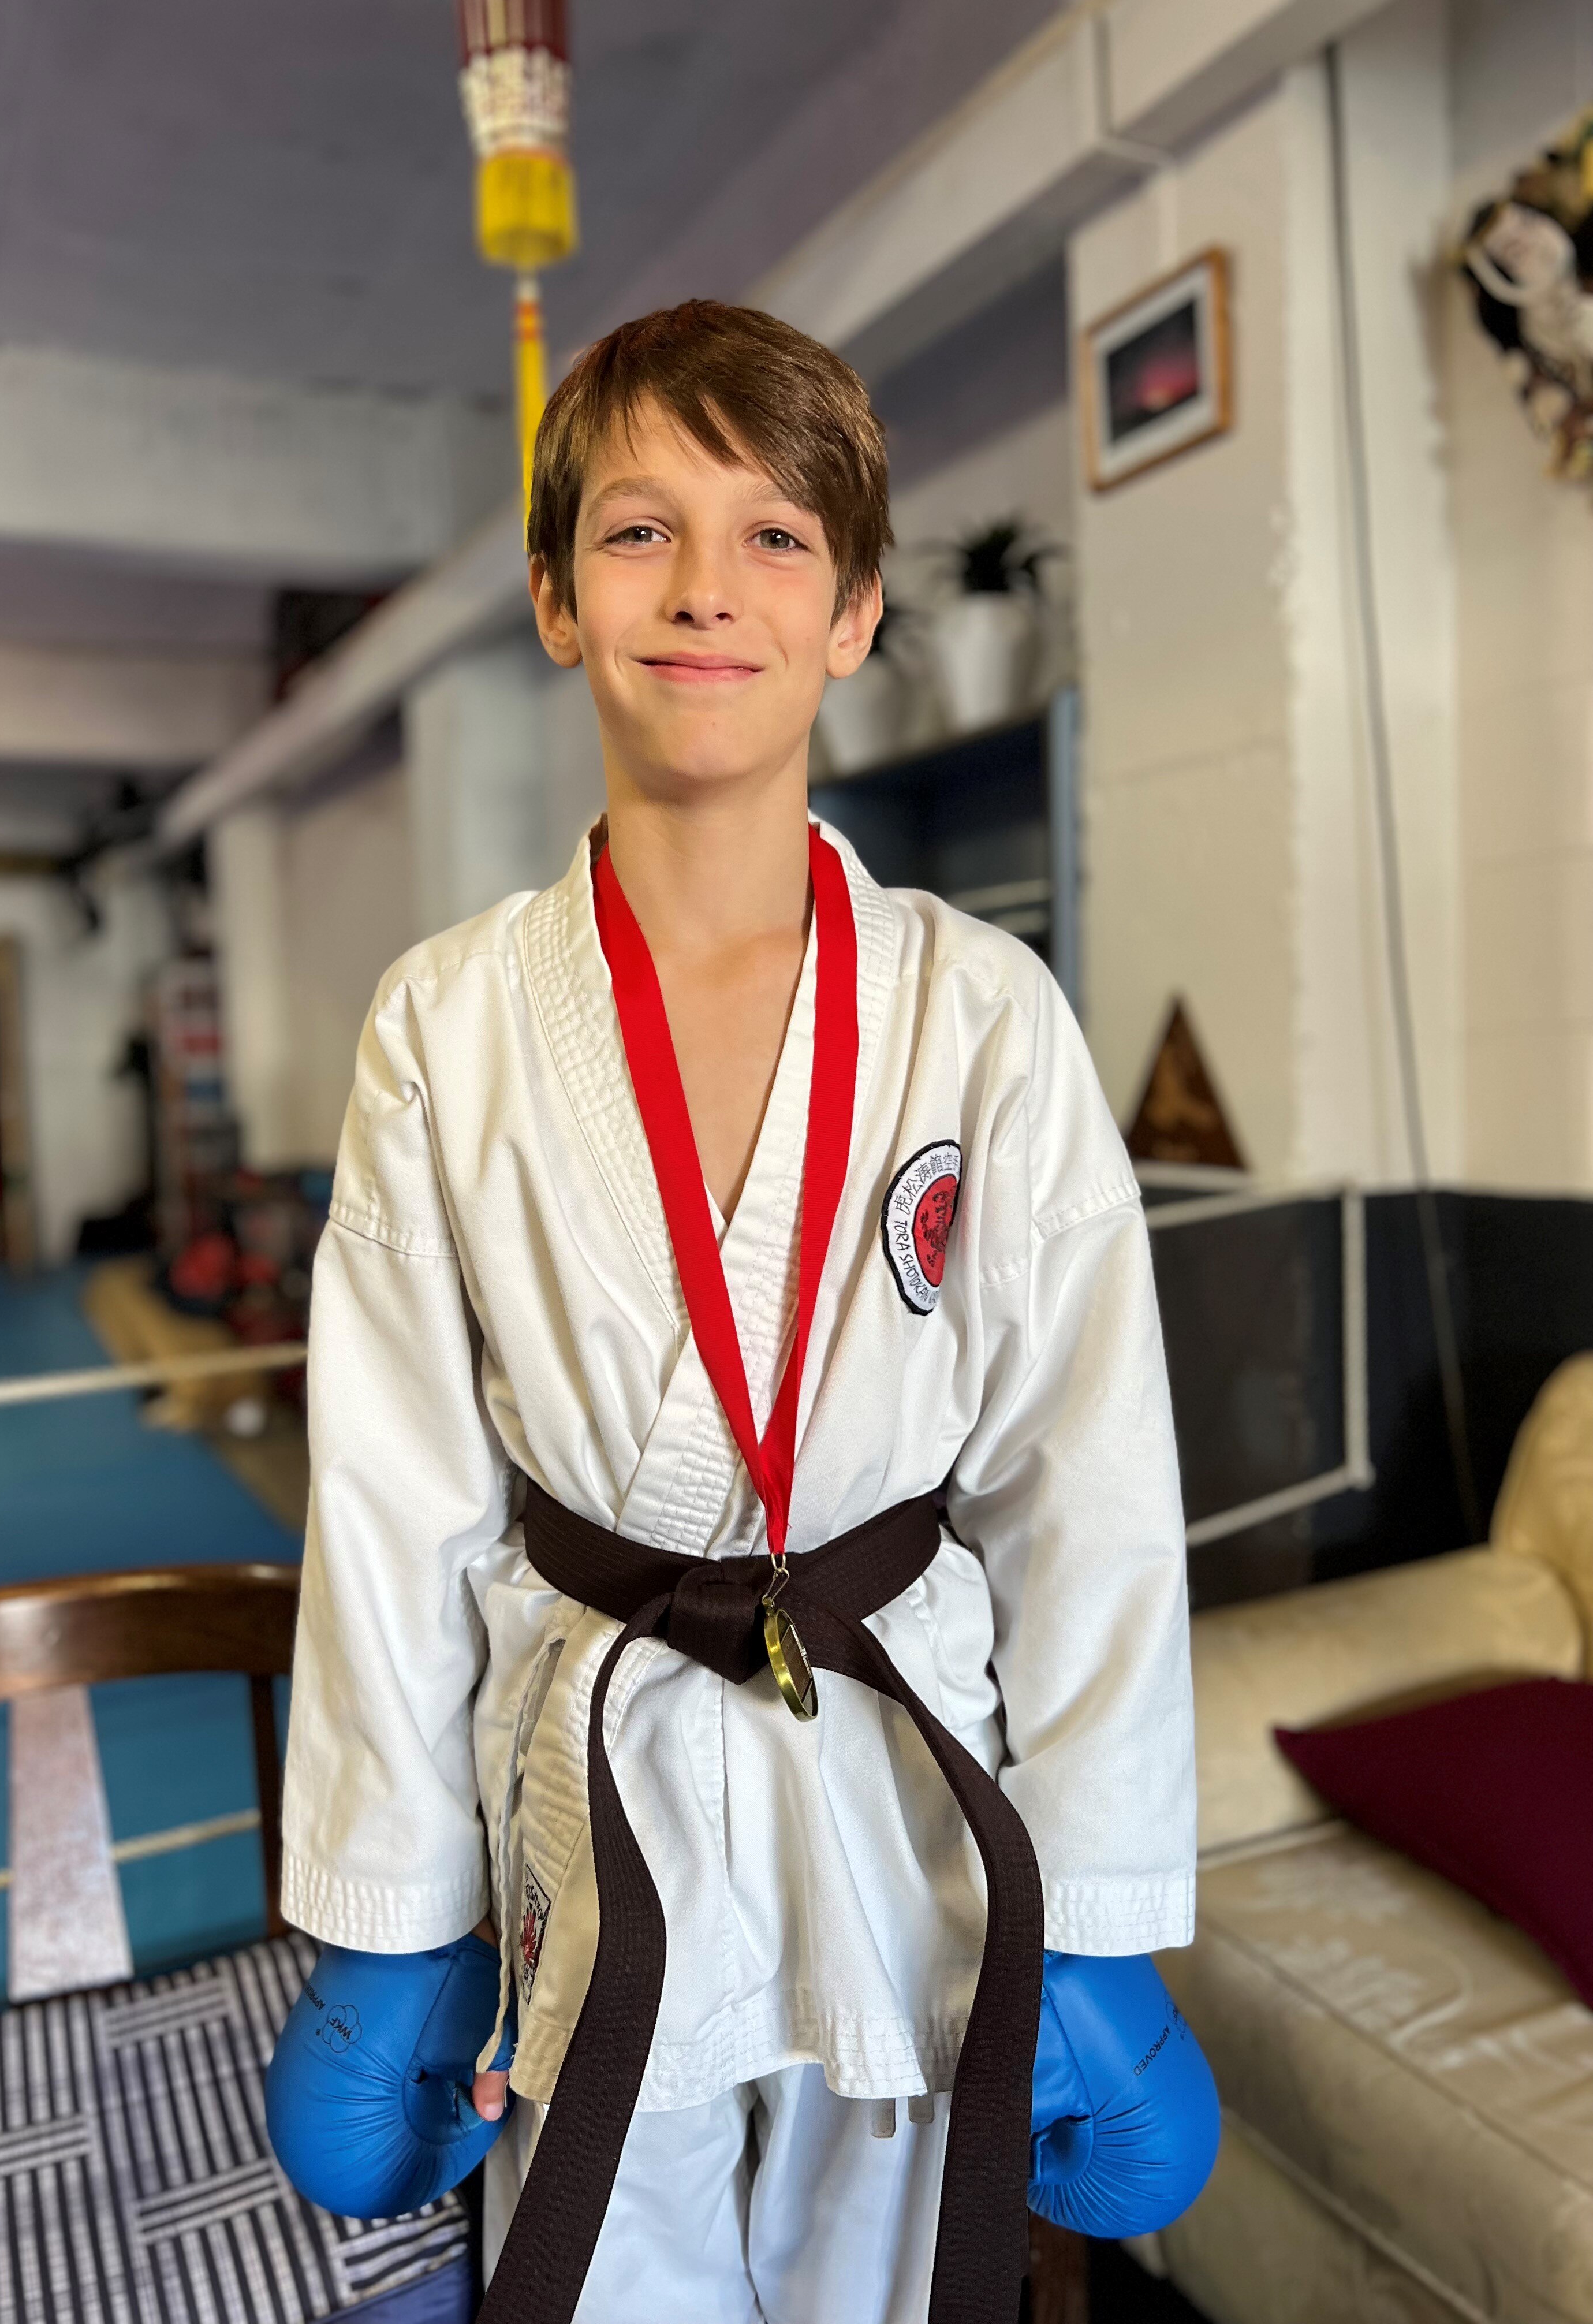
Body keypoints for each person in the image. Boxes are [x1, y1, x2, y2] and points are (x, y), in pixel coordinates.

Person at [265, 301, 1217, 2323]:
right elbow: (392, 1497)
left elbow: (1090, 1481)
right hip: (591, 1765)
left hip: (900, 1769)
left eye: (778, 537)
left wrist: (1109, 1909)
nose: (706, 590)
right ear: (550, 595)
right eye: (636, 533)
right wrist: (389, 1916)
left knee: (890, 2273)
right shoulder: (445, 1023)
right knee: (603, 2252)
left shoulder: (983, 1011)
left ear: (860, 611)